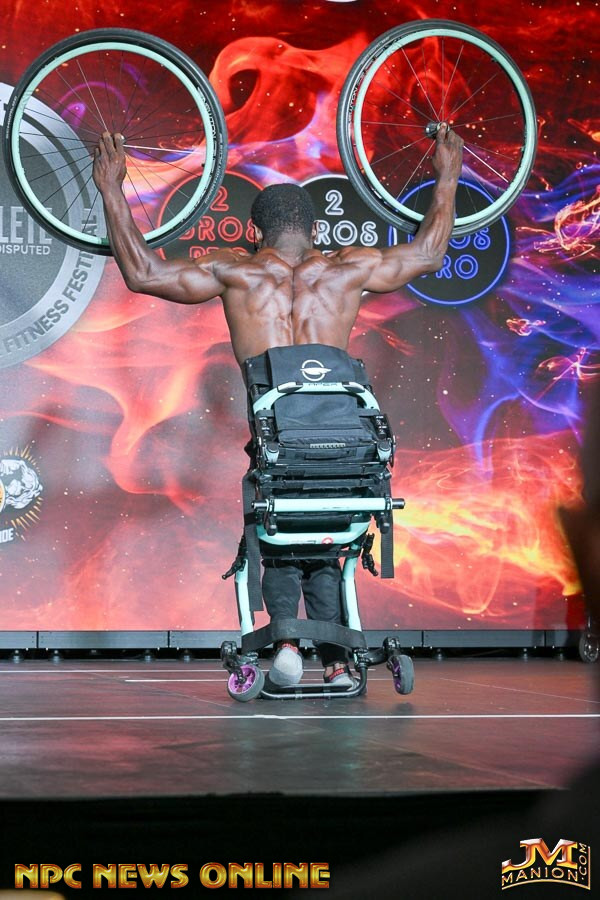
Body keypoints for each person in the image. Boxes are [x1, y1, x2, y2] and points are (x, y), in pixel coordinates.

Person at [92, 124, 464, 687]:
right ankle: (336, 661)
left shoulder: (236, 271)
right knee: (330, 533)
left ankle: (286, 643)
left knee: (279, 531)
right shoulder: (348, 269)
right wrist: (448, 174)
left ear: (253, 232)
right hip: (347, 443)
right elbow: (431, 252)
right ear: (315, 230)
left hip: (278, 443)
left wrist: (111, 188)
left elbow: (143, 272)